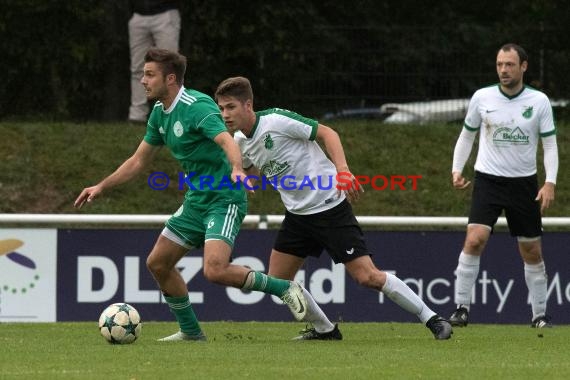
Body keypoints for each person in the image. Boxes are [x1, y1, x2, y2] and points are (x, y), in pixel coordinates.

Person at [75, 48, 309, 341]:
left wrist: (237, 168)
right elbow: (138, 161)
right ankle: (190, 332)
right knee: (157, 263)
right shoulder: (160, 114)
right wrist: (101, 186)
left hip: (224, 198)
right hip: (196, 202)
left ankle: (284, 288)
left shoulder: (197, 105)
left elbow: (227, 140)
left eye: (149, 75)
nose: (143, 81)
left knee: (214, 269)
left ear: (170, 78)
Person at [214, 76, 453, 340]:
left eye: (231, 107)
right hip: (297, 216)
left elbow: (328, 133)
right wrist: (244, 181)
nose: (225, 114)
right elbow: (251, 170)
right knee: (279, 282)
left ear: (248, 105)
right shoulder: (239, 141)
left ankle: (432, 318)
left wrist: (343, 171)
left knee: (367, 276)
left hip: (329, 208)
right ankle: (325, 329)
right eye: (222, 108)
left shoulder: (276, 120)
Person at [449, 43, 558, 328]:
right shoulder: (482, 97)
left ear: (523, 67)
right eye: (499, 64)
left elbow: (550, 145)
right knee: (474, 239)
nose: (503, 70)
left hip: (524, 184)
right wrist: (456, 169)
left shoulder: (539, 102)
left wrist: (550, 182)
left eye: (509, 64)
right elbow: (467, 135)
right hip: (488, 180)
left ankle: (539, 315)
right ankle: (461, 308)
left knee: (531, 251)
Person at [128, 0, 181, 123]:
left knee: (170, 66)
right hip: (138, 14)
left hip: (165, 13)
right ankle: (137, 115)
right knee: (138, 68)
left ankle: (173, 110)